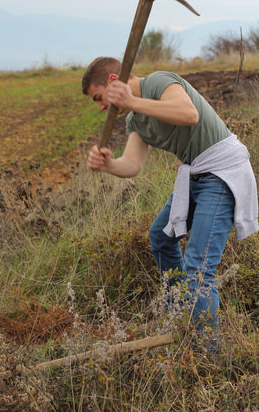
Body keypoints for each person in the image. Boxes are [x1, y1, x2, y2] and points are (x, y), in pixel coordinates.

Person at [82, 56, 258, 353]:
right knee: (161, 238)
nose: (100, 107)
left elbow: (188, 114)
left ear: (113, 82)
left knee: (199, 268)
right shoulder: (134, 120)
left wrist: (134, 101)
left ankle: (206, 355)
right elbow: (133, 164)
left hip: (221, 171)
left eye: (99, 98)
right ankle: (182, 316)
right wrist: (109, 165)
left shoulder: (159, 82)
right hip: (196, 173)